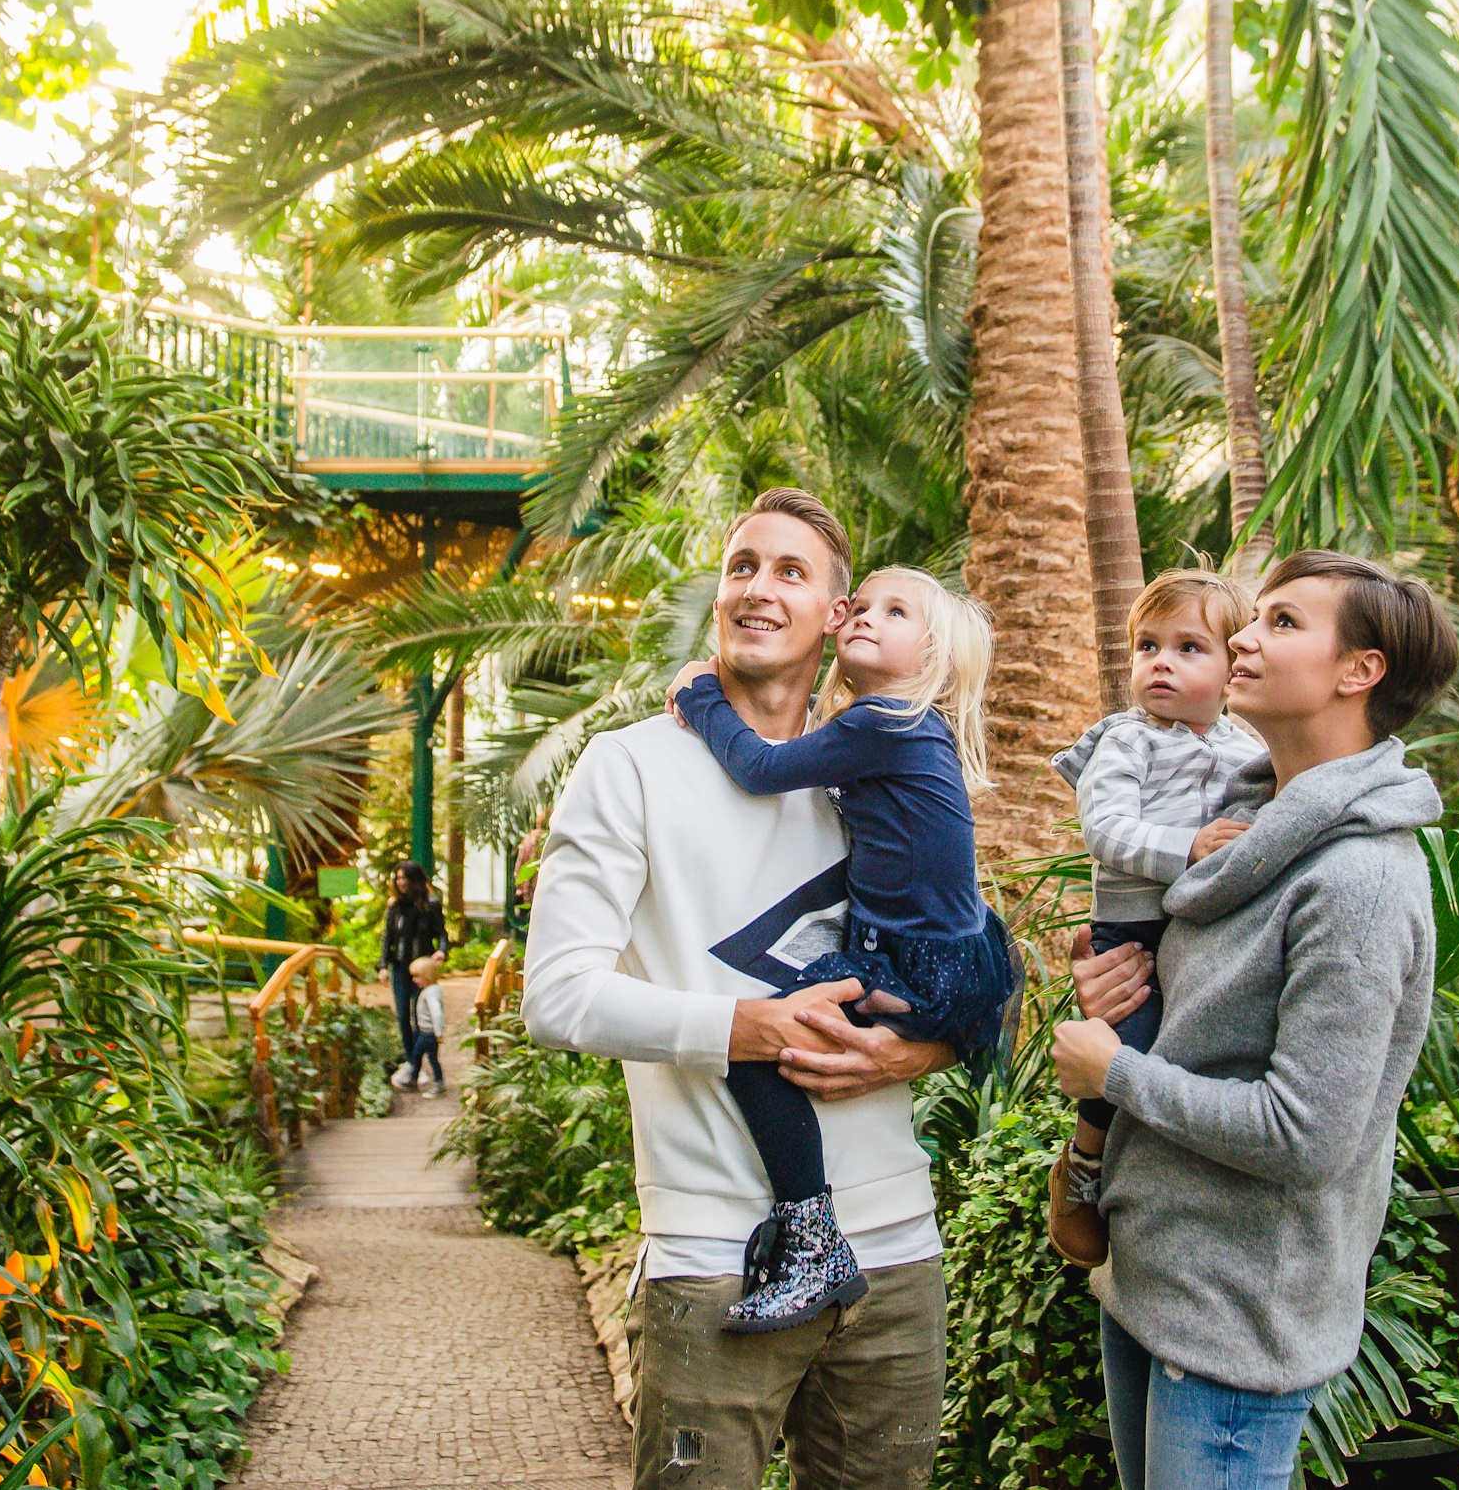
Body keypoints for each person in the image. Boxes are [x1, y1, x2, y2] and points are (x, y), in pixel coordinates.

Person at [526, 487, 954, 1490]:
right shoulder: (627, 766)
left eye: (790, 571)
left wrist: (925, 1047)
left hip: (896, 1257)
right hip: (714, 1257)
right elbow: (557, 994)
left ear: (837, 617)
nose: (756, 587)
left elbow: (969, 956)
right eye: (741, 566)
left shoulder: (880, 765)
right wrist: (747, 1026)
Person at [1050, 550, 1459, 1490]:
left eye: (1281, 622)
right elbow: (1203, 1030)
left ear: (1360, 671)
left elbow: (1305, 1135)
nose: (1242, 634)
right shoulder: (1242, 821)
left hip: (1235, 1321)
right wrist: (1121, 995)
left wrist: (1114, 1072)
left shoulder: (1356, 880)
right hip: (1150, 1270)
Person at [662, 564, 1016, 1332]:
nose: (863, 616)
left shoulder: (882, 722)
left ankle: (812, 1239)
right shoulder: (908, 730)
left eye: (896, 612)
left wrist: (699, 692)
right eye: (861, 604)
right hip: (963, 959)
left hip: (914, 966)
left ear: (933, 661)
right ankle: (813, 1236)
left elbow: (758, 768)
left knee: (759, 1039)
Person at [1043, 569, 1263, 1269]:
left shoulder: (1248, 754)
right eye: (1147, 645)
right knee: (1131, 1038)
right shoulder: (1125, 740)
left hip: (1203, 929)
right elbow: (1104, 826)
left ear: (1234, 667)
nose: (1161, 661)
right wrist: (1188, 850)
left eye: (1189, 647)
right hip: (1133, 928)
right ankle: (1084, 1161)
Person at [383, 861, 446, 1088]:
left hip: (421, 969)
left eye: (405, 878)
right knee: (402, 1017)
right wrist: (383, 965)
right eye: (398, 878)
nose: (401, 883)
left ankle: (418, 1064)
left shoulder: (431, 904)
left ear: (415, 880)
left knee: (420, 1016)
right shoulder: (394, 906)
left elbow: (441, 933)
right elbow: (387, 937)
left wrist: (441, 950)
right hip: (399, 968)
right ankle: (412, 1063)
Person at [404, 954, 449, 1097]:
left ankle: (439, 1083)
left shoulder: (431, 993)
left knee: (432, 1058)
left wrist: (438, 1032)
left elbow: (436, 1013)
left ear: (427, 976)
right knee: (416, 1054)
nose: (414, 980)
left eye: (417, 976)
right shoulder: (429, 990)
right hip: (424, 1032)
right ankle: (413, 1079)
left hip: (430, 1033)